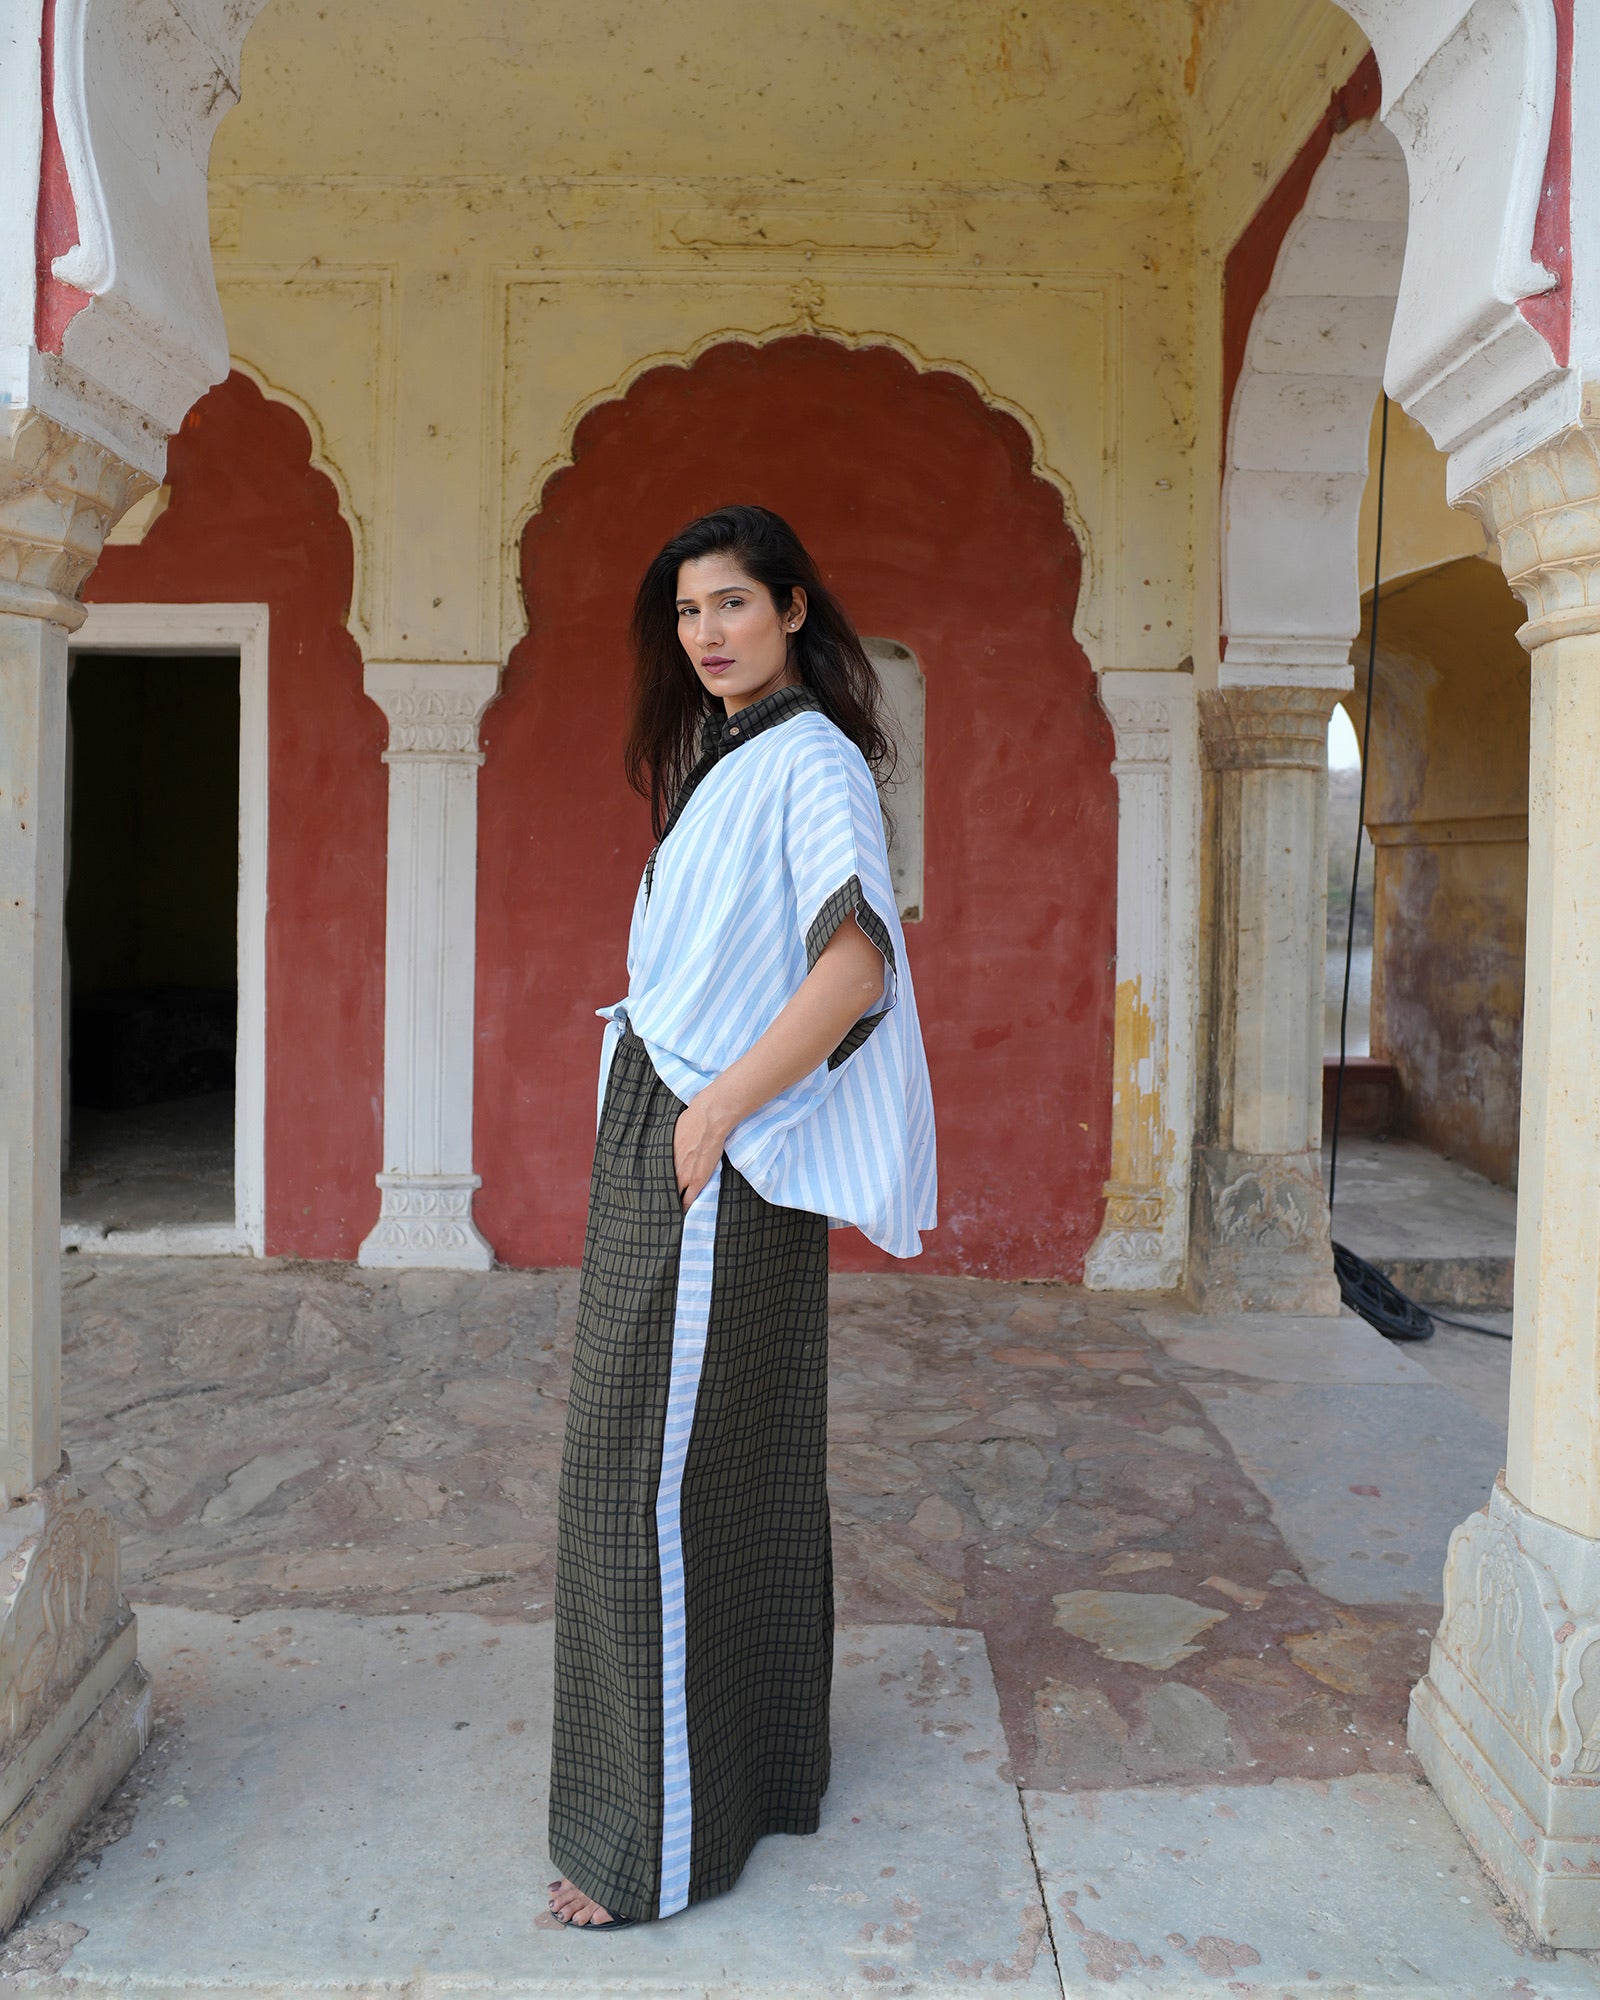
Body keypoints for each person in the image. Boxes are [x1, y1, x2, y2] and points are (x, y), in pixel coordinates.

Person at [546, 503, 936, 1930]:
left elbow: (855, 965)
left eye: (731, 604)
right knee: (723, 1464)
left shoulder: (810, 756)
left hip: (713, 1151)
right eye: (686, 611)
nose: (706, 633)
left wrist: (712, 1116)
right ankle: (754, 1771)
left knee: (635, 1479)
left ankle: (642, 1844)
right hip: (678, 1134)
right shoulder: (729, 755)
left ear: (791, 608)